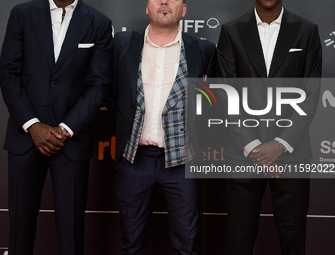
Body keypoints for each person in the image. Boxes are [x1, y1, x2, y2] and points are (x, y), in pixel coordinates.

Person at [0, 0, 113, 254]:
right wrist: (33, 125)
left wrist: (64, 129)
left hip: (70, 141)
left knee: (72, 232)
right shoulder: (22, 14)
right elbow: (8, 73)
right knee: (19, 230)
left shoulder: (99, 23)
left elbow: (99, 84)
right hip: (24, 138)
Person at [216, 0, 322, 254]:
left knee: (293, 238)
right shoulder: (231, 31)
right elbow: (225, 93)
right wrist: (253, 146)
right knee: (239, 239)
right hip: (243, 155)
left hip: (291, 153)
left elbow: (311, 92)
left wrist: (280, 143)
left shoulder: (307, 30)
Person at [112, 0, 216, 254]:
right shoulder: (123, 44)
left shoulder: (203, 50)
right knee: (132, 244)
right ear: (147, 8)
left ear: (184, 9)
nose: (165, 2)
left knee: (188, 245)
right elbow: (111, 93)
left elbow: (212, 104)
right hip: (134, 159)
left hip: (183, 162)